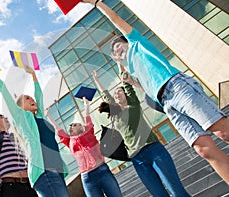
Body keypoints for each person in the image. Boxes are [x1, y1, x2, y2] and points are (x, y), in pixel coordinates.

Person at [83, 0, 229, 185]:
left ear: (126, 41)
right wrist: (131, 81)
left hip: (176, 87)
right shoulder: (134, 69)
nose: (117, 50)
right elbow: (149, 91)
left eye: (118, 46)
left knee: (222, 132)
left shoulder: (137, 43)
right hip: (166, 102)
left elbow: (116, 19)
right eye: (114, 52)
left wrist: (97, 4)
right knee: (204, 150)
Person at [0, 54, 69, 197]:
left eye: (30, 97)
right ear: (19, 107)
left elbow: (39, 96)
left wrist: (33, 75)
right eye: (27, 98)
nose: (31, 99)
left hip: (56, 170)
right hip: (43, 172)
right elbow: (2, 87)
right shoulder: (21, 118)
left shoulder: (40, 118)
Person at [93, 69, 193, 197]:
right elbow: (106, 95)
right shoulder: (115, 114)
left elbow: (127, 85)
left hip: (153, 150)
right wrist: (96, 80)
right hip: (137, 160)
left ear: (126, 95)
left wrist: (119, 66)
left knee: (177, 192)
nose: (116, 94)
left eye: (119, 91)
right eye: (115, 93)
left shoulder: (133, 105)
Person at [46, 97, 123, 197]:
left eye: (76, 124)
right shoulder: (68, 140)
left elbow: (87, 117)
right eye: (73, 125)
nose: (74, 125)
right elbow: (57, 128)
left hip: (102, 171)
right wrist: (48, 115)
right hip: (87, 178)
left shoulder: (89, 131)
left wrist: (86, 104)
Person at [0, 85, 39, 197]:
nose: (6, 118)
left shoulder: (16, 137)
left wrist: (17, 105)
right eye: (2, 117)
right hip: (9, 186)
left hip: (28, 184)